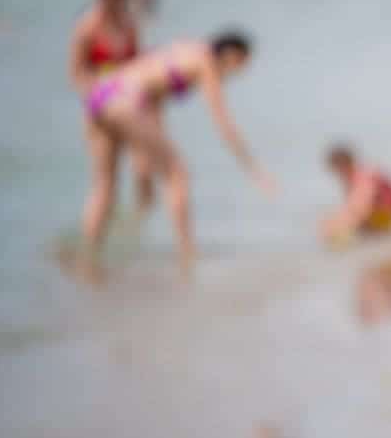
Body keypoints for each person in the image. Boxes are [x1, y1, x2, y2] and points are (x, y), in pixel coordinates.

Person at [77, 30, 275, 282]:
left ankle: (87, 260)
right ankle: (187, 255)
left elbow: (153, 101)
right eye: (241, 65)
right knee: (179, 173)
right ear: (232, 54)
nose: (236, 73)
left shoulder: (184, 48)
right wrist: (254, 170)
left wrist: (145, 160)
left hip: (100, 96)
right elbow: (223, 122)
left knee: (104, 186)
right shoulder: (206, 62)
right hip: (126, 101)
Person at [69, 0, 156, 215]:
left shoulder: (129, 25)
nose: (115, 3)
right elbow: (76, 73)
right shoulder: (86, 28)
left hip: (132, 104)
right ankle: (93, 248)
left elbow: (138, 64)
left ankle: (143, 227)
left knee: (144, 169)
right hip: (102, 106)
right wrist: (98, 97)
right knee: (106, 181)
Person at [320, 145, 391, 243]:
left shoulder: (362, 176)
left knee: (342, 227)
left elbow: (360, 202)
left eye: (336, 169)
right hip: (385, 214)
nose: (337, 174)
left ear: (342, 166)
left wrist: (339, 223)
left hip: (385, 214)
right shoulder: (355, 176)